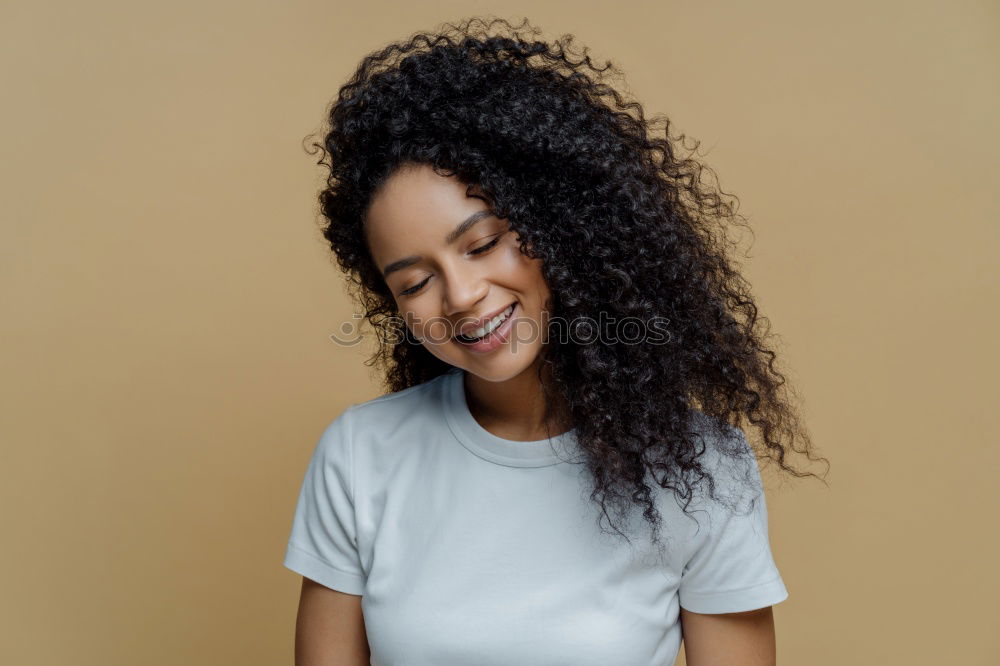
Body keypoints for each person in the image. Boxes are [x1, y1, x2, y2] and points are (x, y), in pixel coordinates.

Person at [283, 16, 826, 666]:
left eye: (482, 244)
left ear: (565, 226)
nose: (459, 295)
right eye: (415, 282)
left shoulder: (701, 471)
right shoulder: (361, 456)